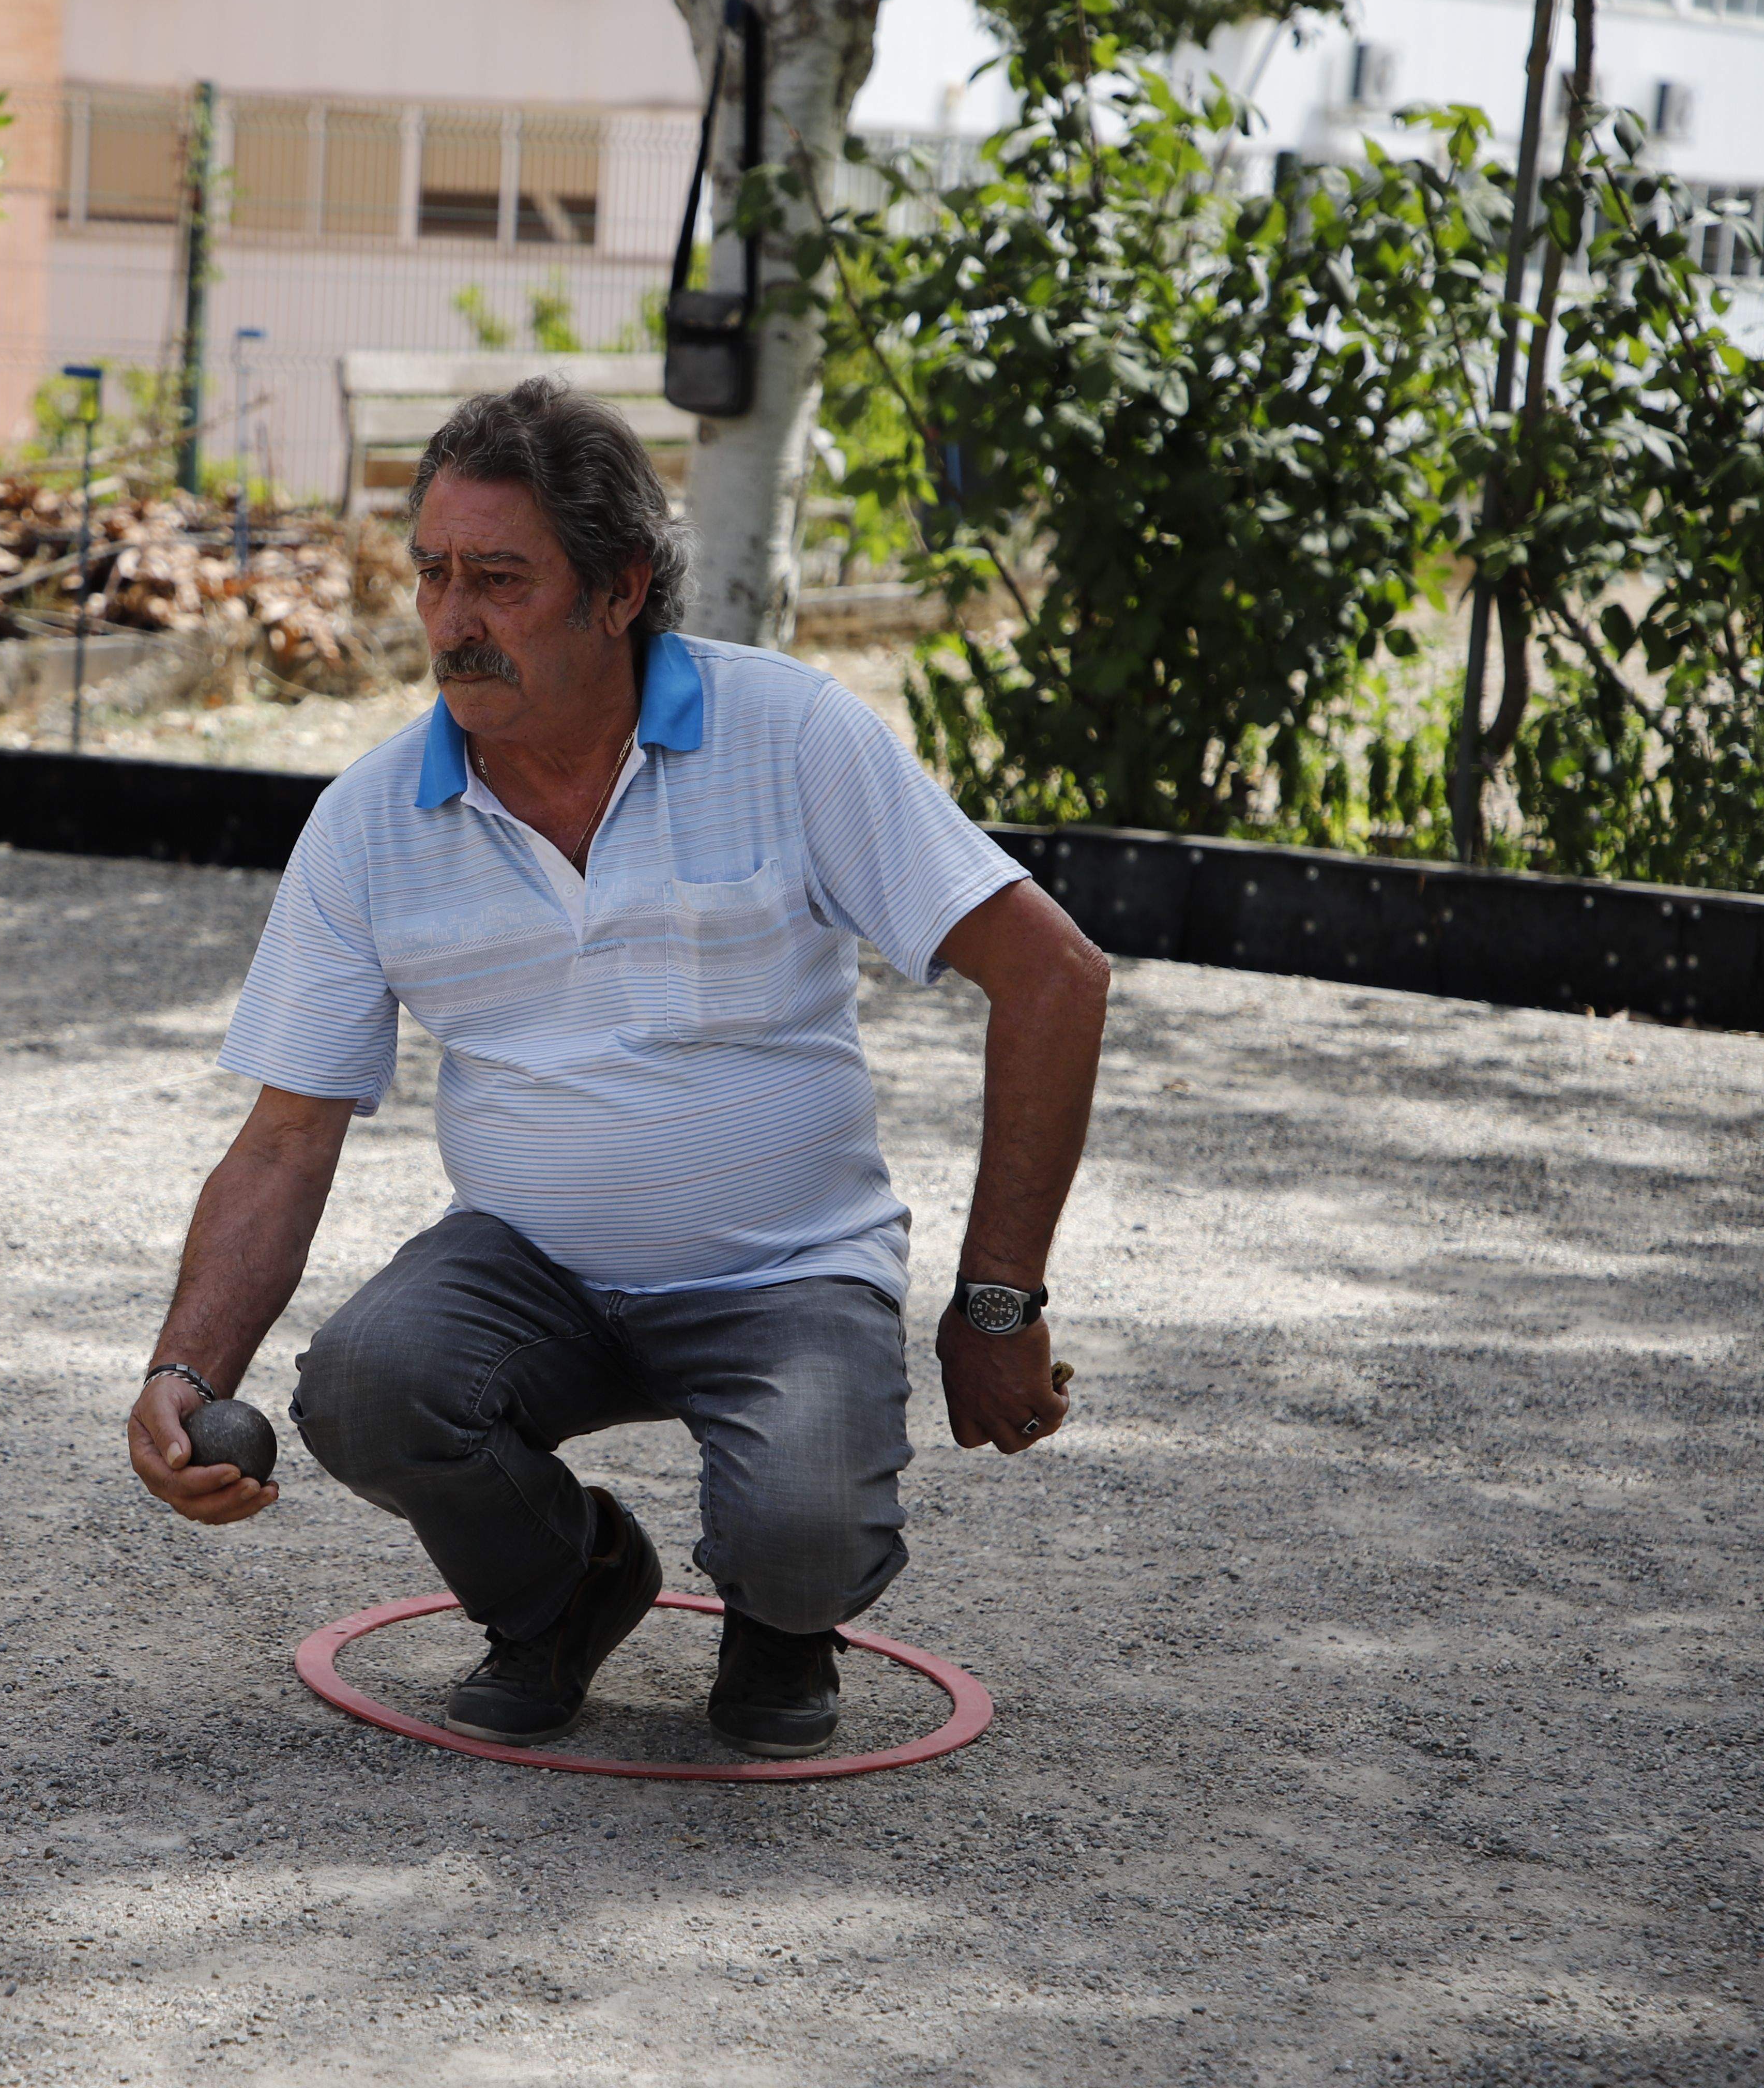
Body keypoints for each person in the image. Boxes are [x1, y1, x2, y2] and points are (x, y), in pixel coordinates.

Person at [126, 382, 1109, 1758]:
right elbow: (287, 1136)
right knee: (364, 1385)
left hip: (788, 1272)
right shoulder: (369, 821)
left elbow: (1055, 976)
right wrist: (187, 1369)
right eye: (431, 574)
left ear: (621, 588)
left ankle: (785, 1616)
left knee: (805, 1530)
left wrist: (997, 1302)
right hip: (532, 1269)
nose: (451, 619)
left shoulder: (790, 734)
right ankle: (566, 1588)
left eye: (500, 579)